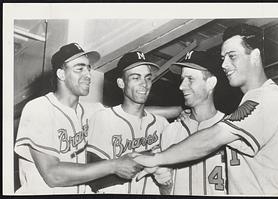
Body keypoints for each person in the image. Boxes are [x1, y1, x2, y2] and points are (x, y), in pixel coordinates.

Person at [134, 23, 278, 195]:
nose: (224, 64)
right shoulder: (249, 107)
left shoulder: (268, 98)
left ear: (255, 56)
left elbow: (212, 137)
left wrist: (156, 158)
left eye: (232, 56)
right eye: (223, 58)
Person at [14, 43, 143, 194]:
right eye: (79, 69)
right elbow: (52, 175)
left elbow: (129, 113)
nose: (88, 75)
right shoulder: (39, 108)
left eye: (88, 68)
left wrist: (177, 110)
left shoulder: (90, 110)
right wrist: (114, 165)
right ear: (61, 74)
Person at [86, 51, 172, 194]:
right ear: (121, 83)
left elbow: (167, 182)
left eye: (147, 78)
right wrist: (147, 160)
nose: (144, 84)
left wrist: (165, 183)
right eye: (135, 77)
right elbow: (94, 180)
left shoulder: (162, 124)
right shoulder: (103, 118)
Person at [154, 50, 228, 195]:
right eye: (182, 79)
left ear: (210, 83)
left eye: (190, 79)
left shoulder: (232, 128)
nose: (182, 86)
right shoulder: (171, 131)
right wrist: (164, 183)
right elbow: (165, 191)